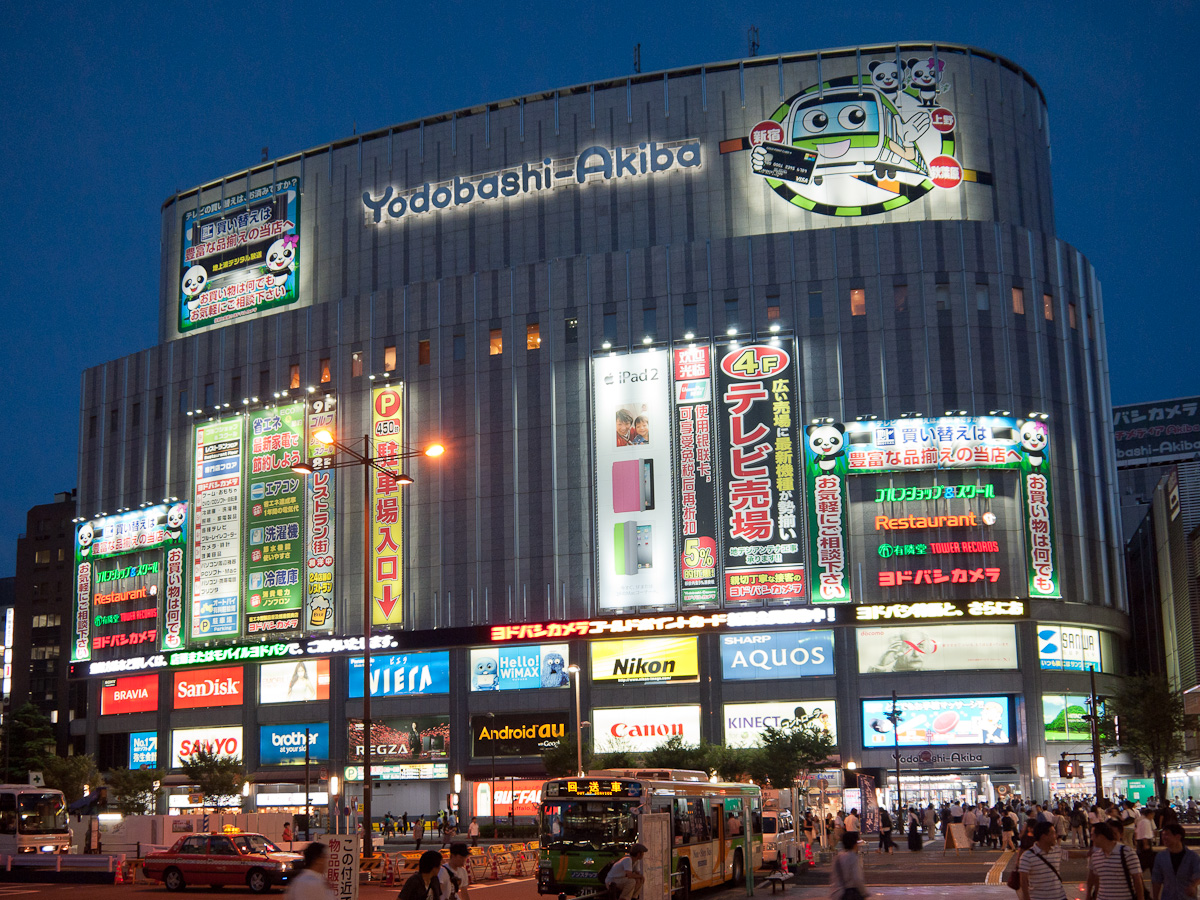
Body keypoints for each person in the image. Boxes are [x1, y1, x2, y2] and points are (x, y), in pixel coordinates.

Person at [1089, 821, 1145, 900]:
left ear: (1101, 836)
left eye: (1092, 835)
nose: (1091, 839)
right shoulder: (1096, 857)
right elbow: (1097, 881)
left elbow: (1138, 879)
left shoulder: (1127, 852)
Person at [1152, 821, 1200, 900]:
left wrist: (1193, 886)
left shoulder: (1192, 857)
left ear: (1178, 837)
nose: (1164, 838)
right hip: (1168, 897)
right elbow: (1156, 880)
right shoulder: (1161, 857)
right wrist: (1155, 897)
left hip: (1187, 897)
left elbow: (1198, 873)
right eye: (1163, 835)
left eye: (1167, 834)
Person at [1018, 821, 1065, 900]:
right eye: (1053, 833)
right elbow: (1023, 881)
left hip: (1060, 897)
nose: (1056, 836)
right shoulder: (1027, 856)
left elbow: (1070, 854)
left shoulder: (1056, 850)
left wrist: (1087, 854)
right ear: (1044, 836)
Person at [829, 831, 869, 900]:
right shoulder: (853, 857)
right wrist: (864, 893)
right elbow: (857, 879)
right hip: (850, 894)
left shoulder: (838, 856)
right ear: (854, 844)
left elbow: (834, 877)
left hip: (838, 894)